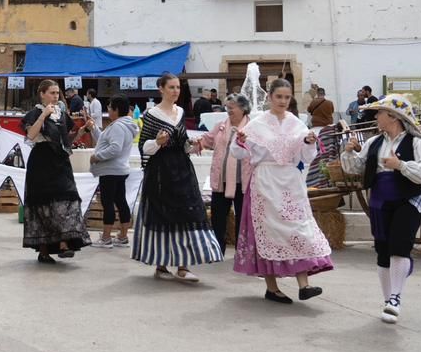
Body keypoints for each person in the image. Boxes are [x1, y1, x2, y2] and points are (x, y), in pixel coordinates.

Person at [232, 77, 332, 303]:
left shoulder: (296, 123)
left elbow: (306, 157)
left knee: (298, 229)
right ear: (269, 97)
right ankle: (272, 287)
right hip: (265, 181)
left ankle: (304, 285)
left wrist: (308, 142)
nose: (283, 101)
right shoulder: (257, 123)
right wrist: (239, 141)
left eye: (287, 97)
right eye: (279, 97)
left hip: (290, 181)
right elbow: (239, 153)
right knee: (267, 233)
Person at [340, 94, 421, 323]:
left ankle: (395, 298)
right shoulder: (374, 143)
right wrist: (349, 151)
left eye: (379, 113)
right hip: (380, 200)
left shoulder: (417, 143)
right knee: (383, 251)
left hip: (408, 199)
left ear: (393, 116)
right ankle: (387, 300)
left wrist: (400, 165)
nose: (376, 117)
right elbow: (356, 168)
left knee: (399, 246)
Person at [132, 73, 222, 282]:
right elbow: (144, 147)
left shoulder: (180, 112)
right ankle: (161, 264)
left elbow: (183, 144)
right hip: (161, 171)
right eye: (171, 87)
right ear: (161, 89)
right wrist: (158, 141)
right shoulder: (150, 115)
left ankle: (183, 265)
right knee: (163, 215)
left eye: (178, 88)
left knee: (187, 212)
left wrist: (194, 145)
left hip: (182, 169)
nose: (175, 91)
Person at [22, 79, 89, 263]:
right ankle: (44, 250)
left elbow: (66, 138)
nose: (55, 96)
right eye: (51, 93)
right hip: (41, 162)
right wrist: (43, 115)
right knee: (43, 206)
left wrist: (82, 131)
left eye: (57, 93)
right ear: (42, 94)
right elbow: (30, 136)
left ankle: (64, 242)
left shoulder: (61, 114)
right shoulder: (34, 113)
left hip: (60, 161)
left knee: (68, 197)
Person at [198, 94, 252, 254]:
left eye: (232, 106)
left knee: (242, 219)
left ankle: (241, 253)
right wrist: (196, 142)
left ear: (243, 108)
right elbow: (207, 140)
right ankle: (216, 250)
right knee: (218, 218)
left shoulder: (252, 127)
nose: (228, 109)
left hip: (243, 181)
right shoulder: (221, 125)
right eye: (227, 106)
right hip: (221, 181)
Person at [90, 96, 137, 247]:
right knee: (120, 202)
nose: (108, 110)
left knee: (108, 203)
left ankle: (106, 237)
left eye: (110, 107)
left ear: (116, 110)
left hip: (110, 170)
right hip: (119, 169)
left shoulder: (117, 126)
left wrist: (97, 157)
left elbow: (114, 148)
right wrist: (93, 129)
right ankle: (122, 236)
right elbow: (105, 140)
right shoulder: (123, 125)